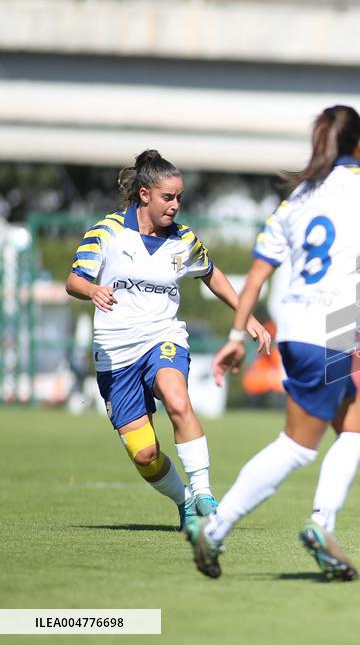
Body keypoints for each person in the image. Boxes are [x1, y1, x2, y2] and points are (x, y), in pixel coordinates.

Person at [184, 104, 360, 580]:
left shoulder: (297, 197)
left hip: (295, 328)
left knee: (357, 432)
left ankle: (322, 526)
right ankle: (217, 526)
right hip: (325, 333)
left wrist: (235, 335)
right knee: (297, 446)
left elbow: (256, 275)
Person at [66, 149, 270, 530]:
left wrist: (249, 318)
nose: (176, 205)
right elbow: (74, 280)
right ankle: (185, 501)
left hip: (163, 338)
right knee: (145, 455)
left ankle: (205, 493)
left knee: (177, 398)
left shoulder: (183, 239)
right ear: (144, 194)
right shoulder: (107, 232)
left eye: (180, 197)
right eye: (168, 197)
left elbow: (212, 274)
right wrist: (92, 290)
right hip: (115, 353)